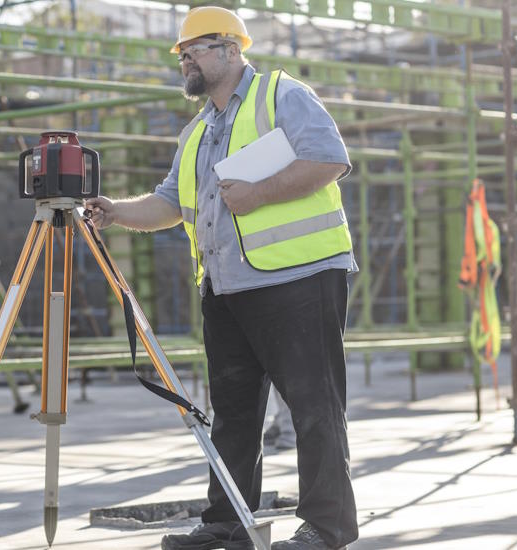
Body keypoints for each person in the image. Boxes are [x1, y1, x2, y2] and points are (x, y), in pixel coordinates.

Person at [85, 6, 358, 550]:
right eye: (181, 52)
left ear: (231, 50)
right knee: (232, 416)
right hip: (227, 289)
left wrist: (257, 194)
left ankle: (327, 529)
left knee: (313, 405)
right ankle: (227, 522)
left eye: (195, 49)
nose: (184, 58)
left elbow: (329, 159)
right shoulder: (197, 132)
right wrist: (116, 211)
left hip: (298, 281)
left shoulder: (282, 96)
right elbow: (170, 203)